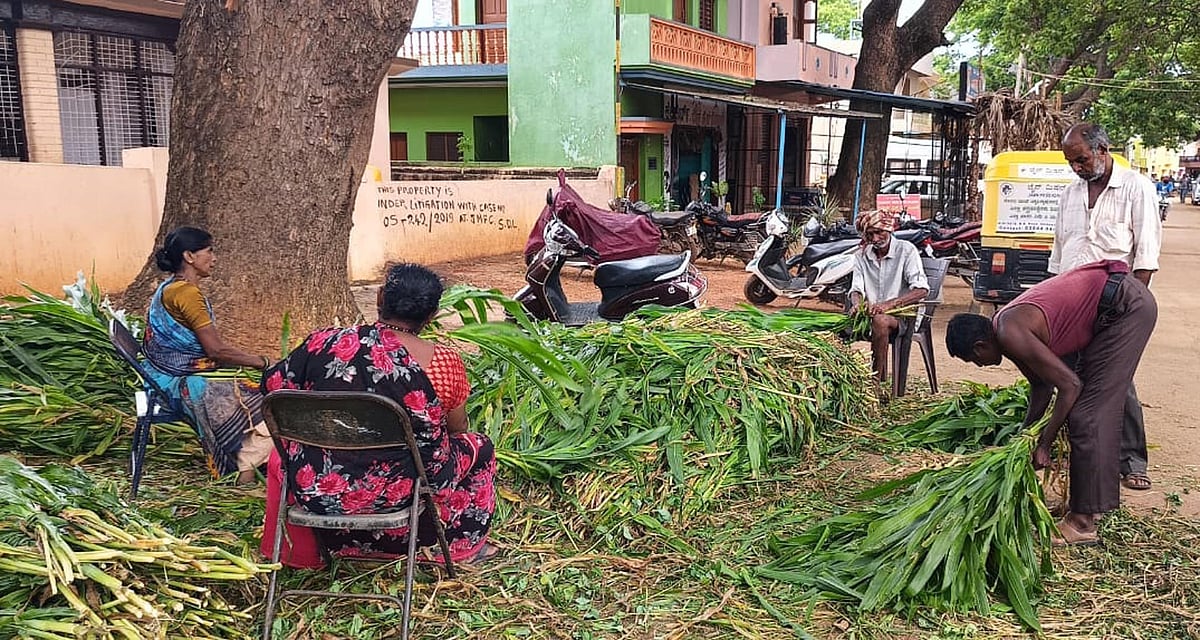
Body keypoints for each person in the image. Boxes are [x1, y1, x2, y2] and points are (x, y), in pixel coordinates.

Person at [260, 263, 496, 567]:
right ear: (432, 315)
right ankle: (460, 547)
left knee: (281, 455)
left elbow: (275, 390)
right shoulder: (444, 362)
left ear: (380, 297)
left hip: (321, 485)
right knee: (479, 445)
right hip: (405, 490)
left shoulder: (323, 344)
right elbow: (457, 428)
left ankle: (308, 551)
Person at [945, 260, 1157, 545]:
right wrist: (1026, 435)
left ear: (980, 347)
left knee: (1087, 415)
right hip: (1113, 306)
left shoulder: (1010, 332)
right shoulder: (1006, 328)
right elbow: (1041, 386)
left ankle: (1083, 523)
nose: (980, 366)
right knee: (1087, 411)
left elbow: (1069, 386)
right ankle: (1090, 508)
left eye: (974, 360)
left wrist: (1045, 444)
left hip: (1125, 308)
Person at [1052, 123, 1162, 491]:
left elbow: (1144, 258)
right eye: (1071, 162)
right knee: (1073, 375)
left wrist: (1122, 315)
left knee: (1118, 381)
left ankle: (1131, 461)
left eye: (1081, 159)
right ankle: (1078, 452)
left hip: (1116, 305)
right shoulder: (1069, 194)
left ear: (1103, 149)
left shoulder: (1137, 188)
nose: (1077, 168)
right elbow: (1059, 255)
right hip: (1072, 304)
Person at [142, 226, 275, 484]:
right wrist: (264, 362)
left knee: (253, 393)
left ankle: (246, 464)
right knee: (270, 400)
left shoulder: (168, 288)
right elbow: (216, 350)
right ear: (190, 256)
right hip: (180, 383)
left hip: (162, 374)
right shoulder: (187, 295)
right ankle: (243, 471)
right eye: (209, 252)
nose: (214, 258)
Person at [848, 209, 930, 385]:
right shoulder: (861, 255)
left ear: (889, 230)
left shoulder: (906, 251)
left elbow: (922, 290)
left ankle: (876, 382)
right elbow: (856, 288)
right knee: (839, 326)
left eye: (879, 232)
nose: (875, 239)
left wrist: (889, 305)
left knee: (880, 321)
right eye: (870, 234)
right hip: (872, 315)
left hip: (903, 318)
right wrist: (857, 304)